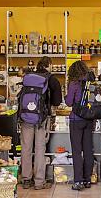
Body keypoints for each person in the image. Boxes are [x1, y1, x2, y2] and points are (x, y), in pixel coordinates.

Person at [21, 56, 62, 190]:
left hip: (26, 117)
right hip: (42, 119)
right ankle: (39, 182)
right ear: (49, 65)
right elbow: (57, 101)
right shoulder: (51, 79)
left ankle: (26, 180)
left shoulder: (28, 77)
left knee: (26, 148)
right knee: (39, 149)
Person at [65, 61, 94, 191]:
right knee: (88, 150)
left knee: (77, 151)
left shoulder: (74, 84)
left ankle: (78, 181)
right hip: (89, 119)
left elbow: (69, 102)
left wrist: (67, 96)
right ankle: (87, 180)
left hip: (76, 120)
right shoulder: (91, 83)